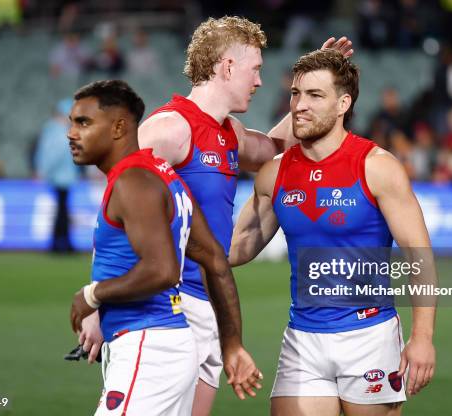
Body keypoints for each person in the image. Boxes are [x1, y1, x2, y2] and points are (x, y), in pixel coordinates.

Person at [79, 16, 353, 416]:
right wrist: (100, 302)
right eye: (255, 68)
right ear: (227, 67)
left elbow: (275, 148)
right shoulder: (170, 128)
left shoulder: (230, 133)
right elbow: (117, 215)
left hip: (208, 308)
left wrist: (318, 94)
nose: (259, 81)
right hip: (162, 309)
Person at [229, 49, 436, 416]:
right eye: (295, 94)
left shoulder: (377, 167)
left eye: (314, 95)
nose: (299, 105)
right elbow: (238, 248)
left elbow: (418, 255)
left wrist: (421, 338)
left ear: (343, 103)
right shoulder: (273, 173)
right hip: (303, 339)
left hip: (370, 336)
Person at [67, 80, 261, 415]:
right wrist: (232, 343)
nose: (71, 133)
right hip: (172, 344)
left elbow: (163, 270)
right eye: (72, 122)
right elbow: (216, 259)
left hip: (147, 346)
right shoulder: (165, 175)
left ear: (118, 127)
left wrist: (91, 296)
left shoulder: (134, 181)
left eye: (83, 122)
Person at [35, 99, 80, 253]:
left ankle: (61, 242)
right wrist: (44, 170)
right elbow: (54, 154)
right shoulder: (57, 131)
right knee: (62, 210)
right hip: (61, 177)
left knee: (62, 209)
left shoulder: (53, 129)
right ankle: (61, 243)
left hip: (62, 176)